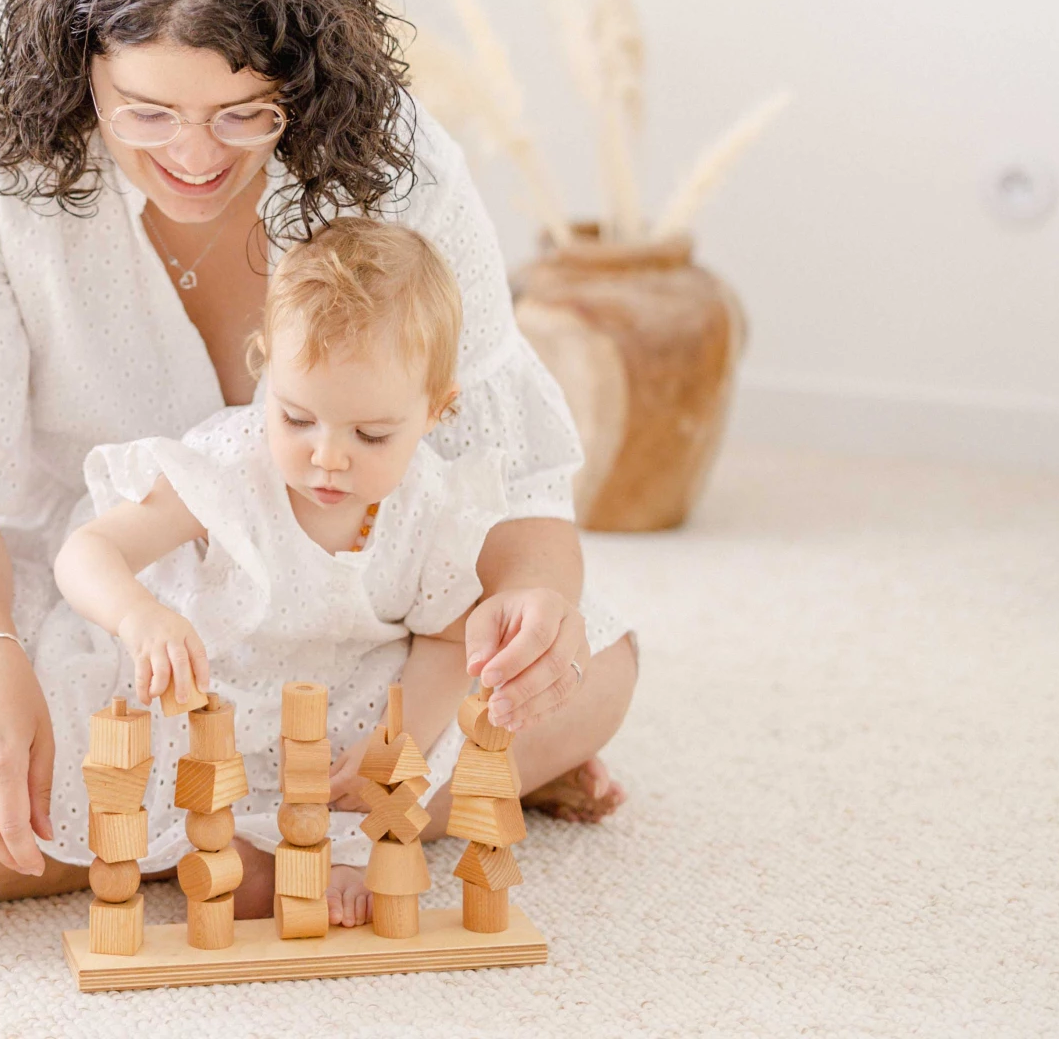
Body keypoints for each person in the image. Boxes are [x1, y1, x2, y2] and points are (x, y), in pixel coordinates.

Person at [0, 0, 637, 939]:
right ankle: (358, 828)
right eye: (146, 112)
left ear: (305, 85)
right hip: (61, 583)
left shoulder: (398, 163)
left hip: (342, 592)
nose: (194, 157)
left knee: (596, 667)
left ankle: (55, 855)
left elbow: (507, 471)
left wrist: (535, 608)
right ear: (76, 67)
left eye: (244, 115)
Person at [43, 218, 626, 927]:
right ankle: (247, 845)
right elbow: (87, 553)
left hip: (343, 713)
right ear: (268, 372)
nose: (327, 457)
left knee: (448, 739)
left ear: (435, 411)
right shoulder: (229, 469)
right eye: (296, 419)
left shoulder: (432, 507)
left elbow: (448, 641)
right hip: (210, 692)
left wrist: (397, 746)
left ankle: (342, 842)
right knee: (159, 813)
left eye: (371, 435)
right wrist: (140, 617)